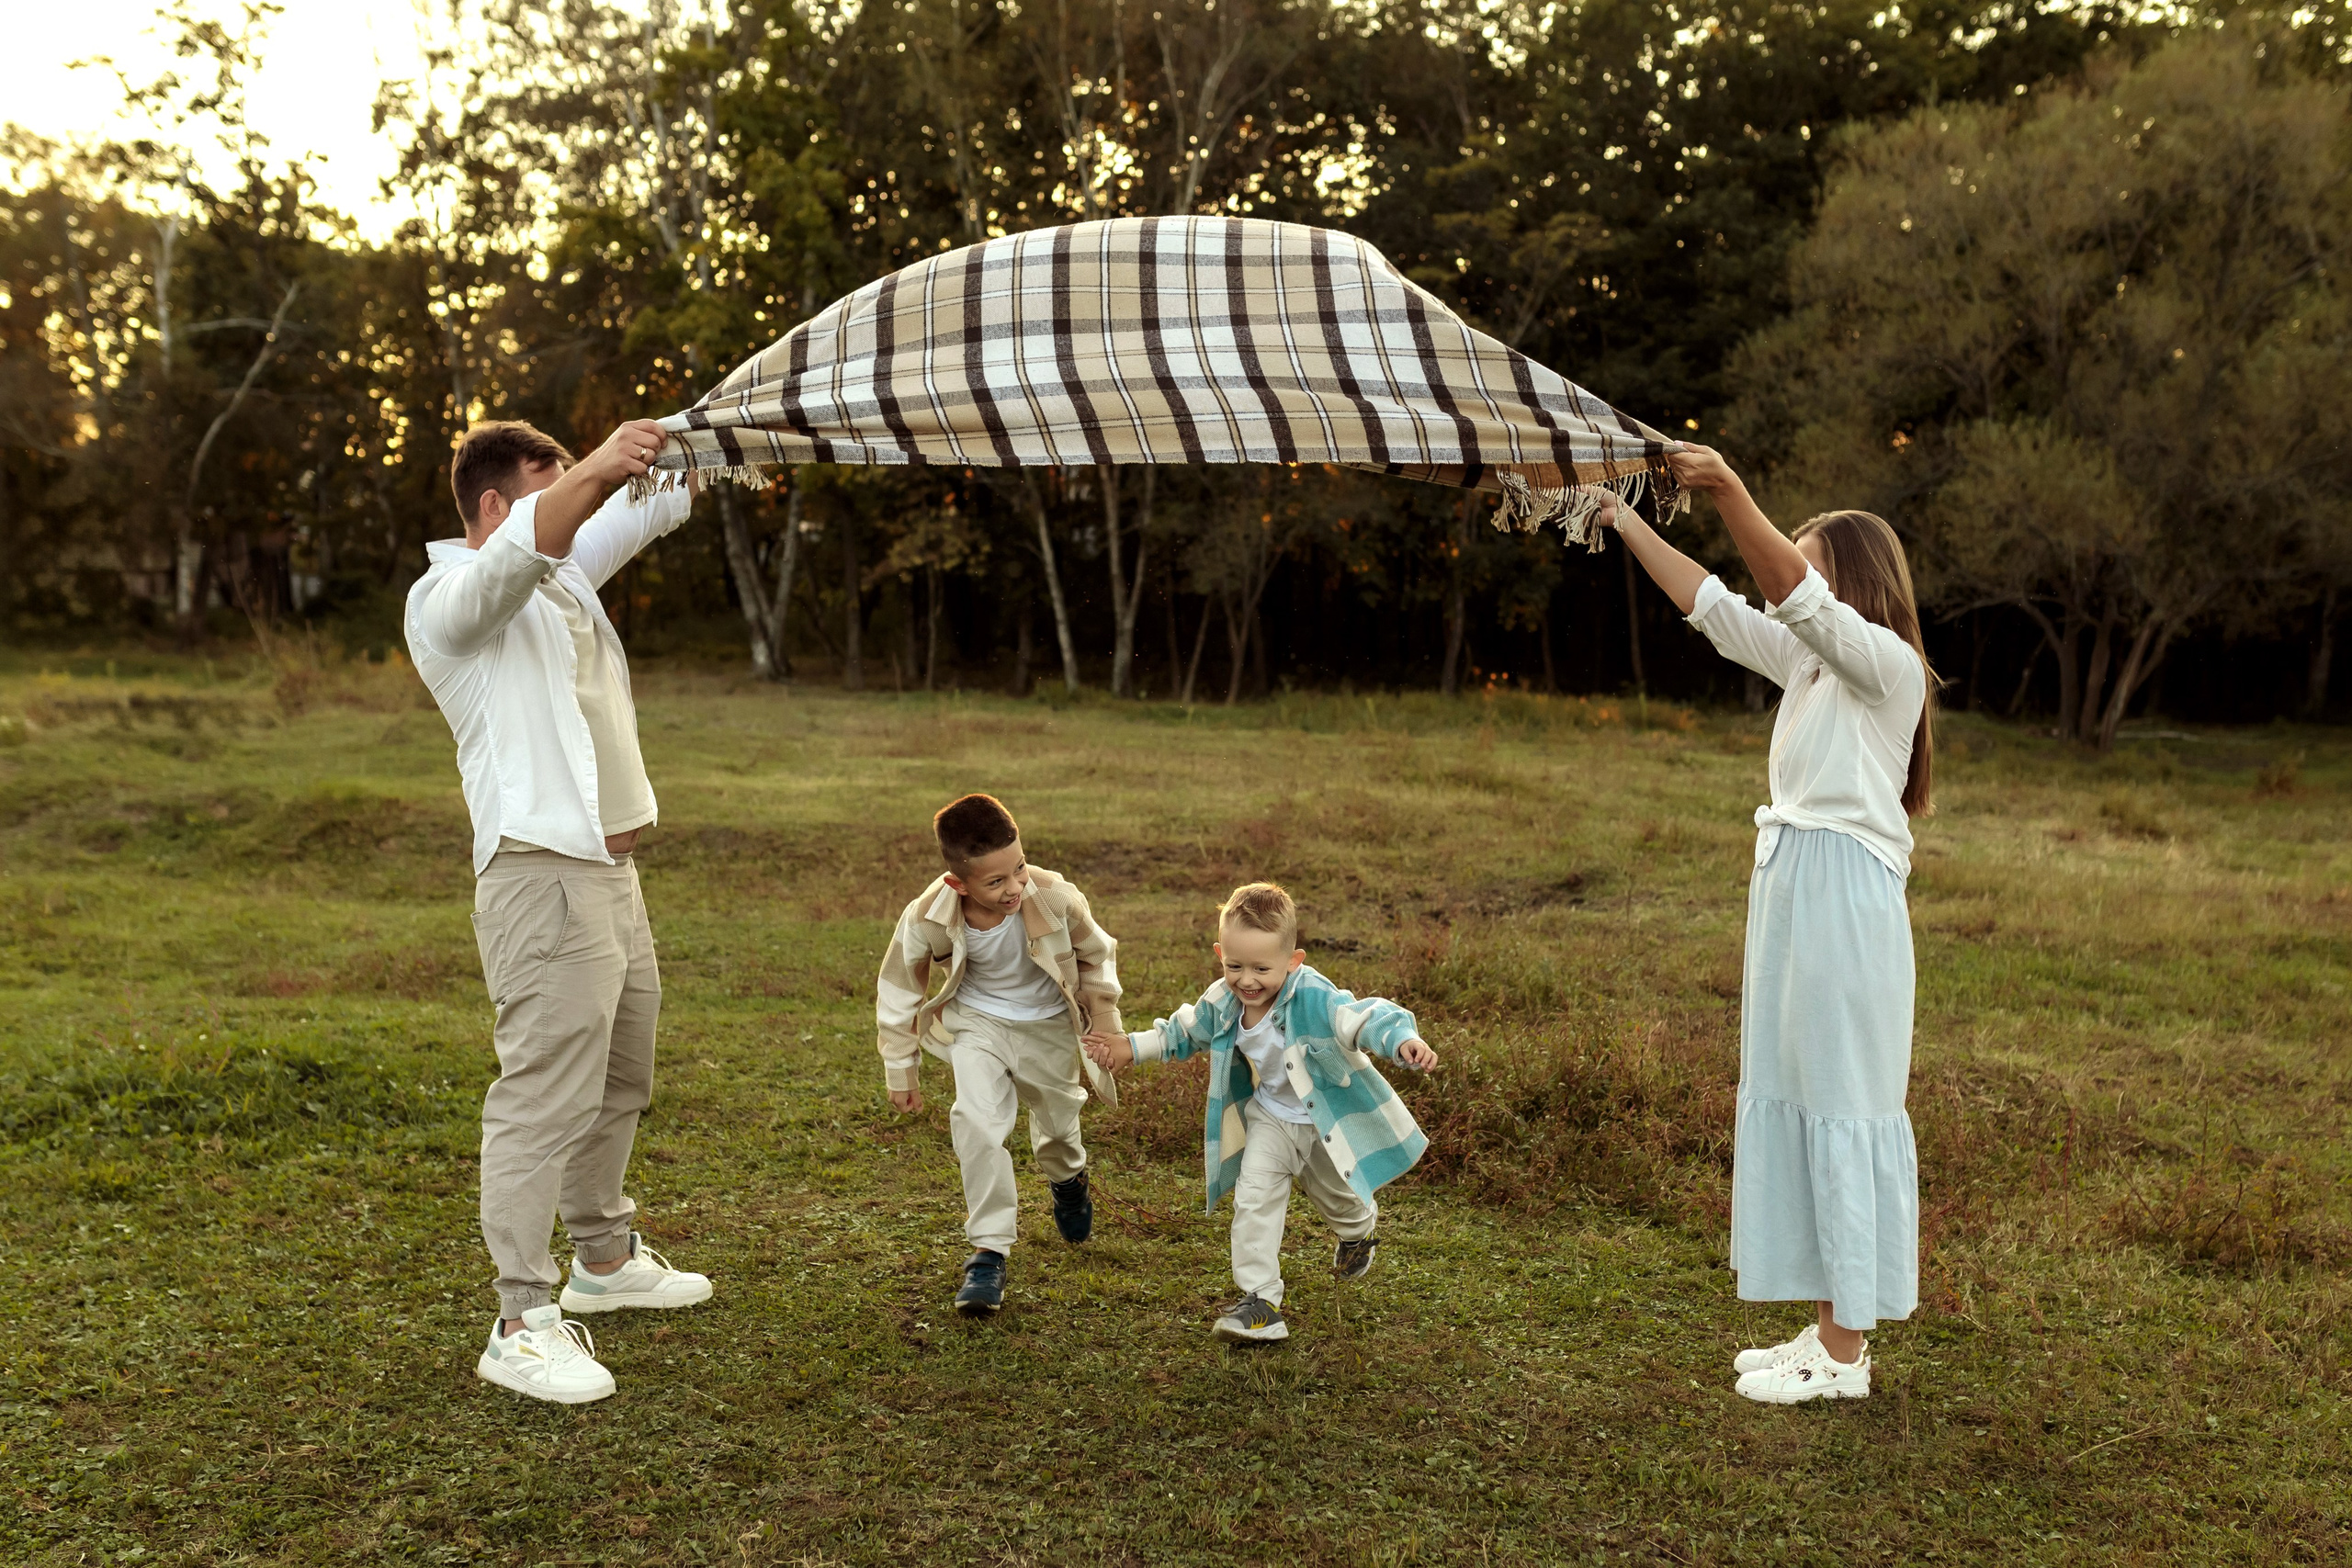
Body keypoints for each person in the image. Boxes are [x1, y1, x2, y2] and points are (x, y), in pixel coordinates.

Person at [1599, 446, 1935, 1404]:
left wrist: (1728, 490)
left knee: (1841, 1099)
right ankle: (1829, 1327)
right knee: (1797, 1088)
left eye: (1806, 559)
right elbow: (1711, 606)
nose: (1785, 570)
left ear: (1850, 581)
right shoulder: (1814, 670)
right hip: (1793, 888)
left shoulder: (1888, 668)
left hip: (1844, 901)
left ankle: (1841, 1356)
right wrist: (1619, 519)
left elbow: (1790, 600)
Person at [406, 418, 712, 1405]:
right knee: (544, 1094)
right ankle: (519, 1319)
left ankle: (604, 1259)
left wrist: (706, 435)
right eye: (554, 480)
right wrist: (590, 472)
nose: (579, 498)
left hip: (611, 879)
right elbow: (540, 537)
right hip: (541, 881)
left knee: (623, 1076)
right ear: (496, 503)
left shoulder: (566, 572)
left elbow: (651, 502)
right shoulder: (450, 598)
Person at [1084, 883, 1439, 1345]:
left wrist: (1401, 1040)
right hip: (1270, 1118)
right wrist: (1131, 1047)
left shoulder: (1314, 997)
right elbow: (1184, 1031)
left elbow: (1364, 1017)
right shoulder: (1225, 1000)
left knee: (1339, 1200)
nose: (1247, 980)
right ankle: (1261, 1301)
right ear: (1220, 954)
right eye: (1234, 966)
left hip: (1327, 1125)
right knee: (1253, 1198)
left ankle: (1358, 1230)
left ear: (1293, 962)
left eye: (1261, 968)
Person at [877, 793, 1124, 1316]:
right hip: (977, 1026)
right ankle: (988, 1254)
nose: (1014, 887)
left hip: (1049, 1028)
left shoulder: (1055, 896)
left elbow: (1098, 959)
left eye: (1019, 869)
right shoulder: (928, 914)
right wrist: (902, 1067)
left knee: (1058, 1129)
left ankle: (1069, 1179)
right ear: (957, 883)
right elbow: (899, 986)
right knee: (978, 1121)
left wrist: (1105, 1029)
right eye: (996, 881)